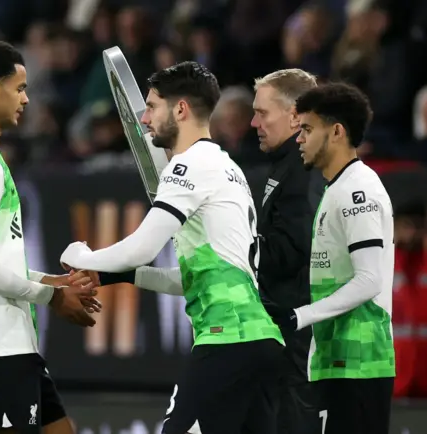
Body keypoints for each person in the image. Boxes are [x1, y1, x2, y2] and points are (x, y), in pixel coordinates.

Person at [60, 61, 285, 434]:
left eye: (152, 106)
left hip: (227, 341)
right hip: (260, 344)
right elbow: (188, 278)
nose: (144, 119)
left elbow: (142, 248)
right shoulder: (227, 167)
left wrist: (82, 256)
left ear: (180, 109)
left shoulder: (189, 166)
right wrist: (119, 275)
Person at [0, 41, 101, 434]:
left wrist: (51, 280)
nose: (26, 99)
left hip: (7, 342)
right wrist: (53, 296)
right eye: (21, 88)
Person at [269, 82, 395, 434]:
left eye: (307, 129)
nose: (299, 139)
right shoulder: (335, 188)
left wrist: (299, 316)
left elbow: (370, 279)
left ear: (337, 131)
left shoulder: (358, 190)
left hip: (360, 363)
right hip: (334, 360)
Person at [251, 69, 324, 434]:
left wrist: (239, 247)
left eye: (262, 113)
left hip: (297, 331)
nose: (253, 122)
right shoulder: (287, 164)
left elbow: (295, 249)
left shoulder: (303, 168)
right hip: (285, 329)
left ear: (295, 114)